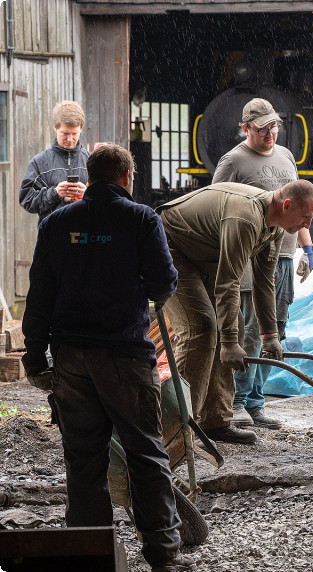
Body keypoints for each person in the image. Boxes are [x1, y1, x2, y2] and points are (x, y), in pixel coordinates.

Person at [20, 144, 194, 572]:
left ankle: (89, 554)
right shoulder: (139, 219)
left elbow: (39, 292)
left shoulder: (58, 223)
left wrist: (34, 355)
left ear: (90, 176)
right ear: (126, 178)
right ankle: (162, 556)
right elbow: (162, 285)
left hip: (71, 356)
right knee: (145, 454)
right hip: (123, 354)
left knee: (83, 460)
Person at [157, 179, 313, 444]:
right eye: (306, 217)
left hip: (202, 254)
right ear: (287, 205)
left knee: (235, 326)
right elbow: (228, 282)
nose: (307, 226)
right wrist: (230, 343)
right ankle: (175, 428)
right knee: (202, 329)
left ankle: (215, 422)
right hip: (170, 245)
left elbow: (264, 282)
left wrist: (270, 335)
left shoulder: (275, 228)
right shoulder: (246, 218)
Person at [212, 98, 313, 429]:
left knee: (275, 330)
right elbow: (217, 209)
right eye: (262, 129)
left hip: (282, 254)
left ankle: (256, 402)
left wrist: (307, 247)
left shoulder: (286, 156)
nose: (270, 134)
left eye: (274, 127)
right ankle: (236, 402)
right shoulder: (233, 161)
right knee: (249, 329)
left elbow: (299, 204)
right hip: (248, 257)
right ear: (245, 129)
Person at [20, 101, 90, 221]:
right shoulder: (38, 163)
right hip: (51, 235)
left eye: (74, 134)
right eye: (65, 133)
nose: (70, 139)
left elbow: (107, 201)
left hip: (85, 235)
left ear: (81, 129)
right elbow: (26, 200)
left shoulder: (92, 161)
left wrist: (88, 194)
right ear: (55, 128)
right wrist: (54, 193)